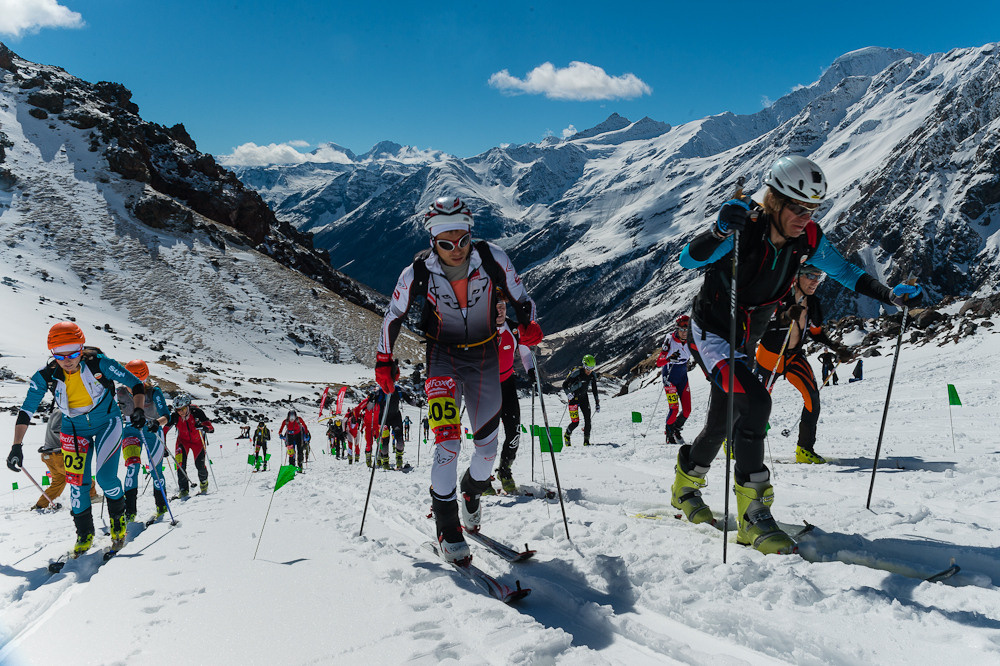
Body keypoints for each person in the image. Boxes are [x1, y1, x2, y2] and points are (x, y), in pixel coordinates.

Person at [674, 155, 924, 554]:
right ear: (773, 200)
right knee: (755, 403)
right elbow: (690, 259)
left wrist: (890, 295)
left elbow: (845, 271)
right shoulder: (745, 228)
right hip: (714, 334)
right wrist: (719, 230)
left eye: (812, 209)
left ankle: (685, 486)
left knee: (723, 421)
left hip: (745, 339)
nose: (805, 217)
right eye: (797, 207)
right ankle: (754, 515)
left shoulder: (808, 239)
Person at [376, 195, 542, 564]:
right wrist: (383, 360)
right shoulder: (416, 273)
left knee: (486, 450)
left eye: (463, 241)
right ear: (433, 241)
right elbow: (393, 315)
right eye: (446, 244)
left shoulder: (494, 258)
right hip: (442, 359)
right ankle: (448, 525)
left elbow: (521, 297)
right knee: (448, 443)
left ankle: (471, 492)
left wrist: (529, 323)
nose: (457, 250)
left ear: (471, 234)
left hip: (484, 356)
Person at [6, 322, 146, 554]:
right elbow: (26, 410)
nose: (67, 359)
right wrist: (16, 446)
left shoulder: (100, 364)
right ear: (52, 353)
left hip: (107, 423)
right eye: (59, 355)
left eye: (72, 352)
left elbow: (136, 383)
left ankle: (118, 522)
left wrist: (138, 410)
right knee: (78, 483)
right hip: (72, 428)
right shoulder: (46, 375)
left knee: (105, 478)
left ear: (81, 348)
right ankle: (84, 534)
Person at [755, 265, 853, 464]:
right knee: (755, 404)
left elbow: (816, 332)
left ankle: (804, 449)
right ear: (797, 277)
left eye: (819, 276)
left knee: (812, 398)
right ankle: (733, 441)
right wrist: (784, 317)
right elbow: (760, 324)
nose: (815, 281)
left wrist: (836, 347)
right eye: (811, 276)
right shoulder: (779, 298)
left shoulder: (813, 303)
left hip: (793, 356)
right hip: (769, 356)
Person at [117, 359, 171, 521]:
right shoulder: (119, 392)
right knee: (132, 468)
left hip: (152, 431)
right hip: (130, 432)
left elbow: (167, 416)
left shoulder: (154, 392)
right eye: (130, 382)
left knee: (155, 470)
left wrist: (157, 423)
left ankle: (161, 506)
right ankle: (130, 512)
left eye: (140, 381)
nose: (134, 386)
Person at [493, 297, 535, 493]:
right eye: (495, 308)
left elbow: (525, 353)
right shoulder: (481, 330)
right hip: (486, 387)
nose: (499, 311)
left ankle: (505, 469)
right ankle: (481, 476)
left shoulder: (514, 328)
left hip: (508, 384)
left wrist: (531, 371)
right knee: (487, 436)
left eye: (502, 307)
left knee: (514, 432)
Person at [30, 406, 102, 511]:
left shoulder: (58, 411)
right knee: (80, 476)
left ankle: (41, 505)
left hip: (49, 455)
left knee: (58, 482)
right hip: (58, 455)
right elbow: (57, 429)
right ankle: (91, 496)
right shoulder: (61, 412)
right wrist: (74, 441)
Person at [165, 394, 214, 496]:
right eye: (178, 410)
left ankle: (204, 483)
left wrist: (204, 427)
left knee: (199, 465)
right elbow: (164, 431)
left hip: (198, 442)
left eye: (182, 409)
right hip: (182, 442)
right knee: (180, 466)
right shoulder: (175, 416)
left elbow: (211, 427)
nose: (180, 412)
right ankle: (183, 490)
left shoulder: (197, 413)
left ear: (188, 406)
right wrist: (163, 446)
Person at [656, 315, 692, 445]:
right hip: (669, 377)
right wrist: (669, 358)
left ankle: (676, 428)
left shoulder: (691, 340)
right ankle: (669, 433)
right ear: (677, 329)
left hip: (682, 376)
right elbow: (659, 363)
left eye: (687, 330)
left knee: (687, 410)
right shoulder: (670, 339)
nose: (684, 333)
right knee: (674, 409)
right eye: (682, 330)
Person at [563, 355, 600, 446]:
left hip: (584, 398)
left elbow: (595, 389)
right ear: (584, 365)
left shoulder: (592, 375)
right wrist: (568, 393)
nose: (589, 371)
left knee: (588, 420)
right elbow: (565, 384)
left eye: (591, 369)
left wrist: (597, 403)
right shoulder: (576, 373)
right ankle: (567, 435)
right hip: (573, 398)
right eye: (588, 368)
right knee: (575, 422)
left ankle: (586, 442)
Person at [374, 387, 405, 469]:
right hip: (384, 418)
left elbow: (408, 399)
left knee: (400, 440)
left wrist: (418, 403)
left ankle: (399, 459)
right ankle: (385, 461)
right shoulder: (380, 391)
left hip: (396, 417)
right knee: (385, 441)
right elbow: (370, 403)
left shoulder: (398, 389)